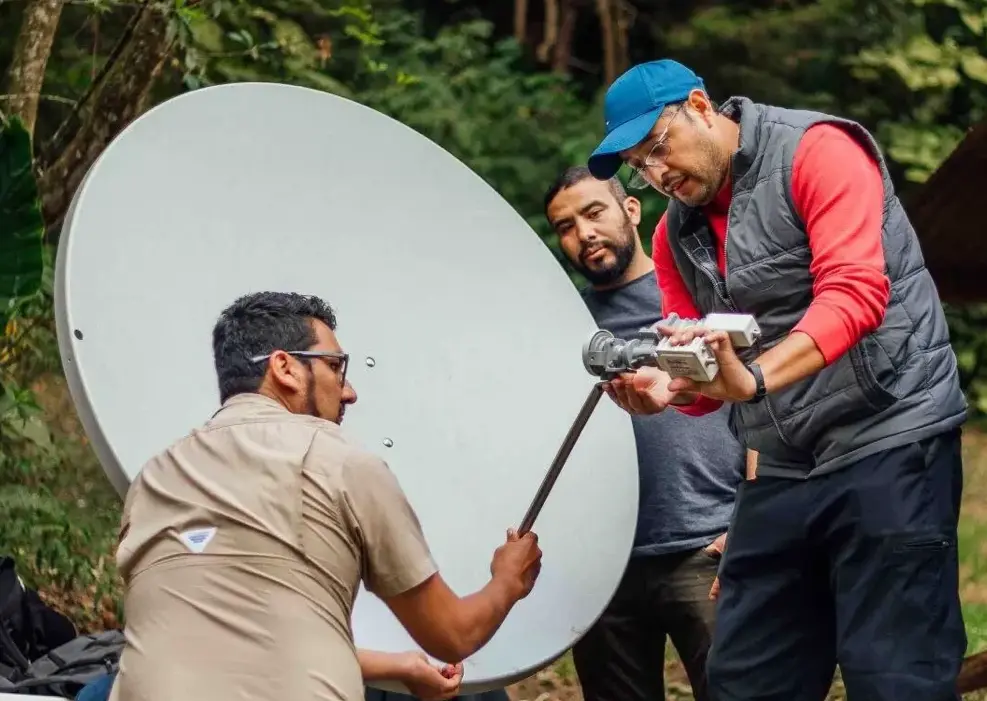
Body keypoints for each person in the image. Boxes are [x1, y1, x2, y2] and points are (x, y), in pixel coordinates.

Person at [585, 59, 969, 701]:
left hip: (890, 438)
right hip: (786, 467)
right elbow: (708, 375)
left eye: (658, 148)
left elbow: (854, 295)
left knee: (896, 674)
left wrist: (755, 378)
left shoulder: (818, 151)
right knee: (746, 680)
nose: (656, 174)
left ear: (702, 108)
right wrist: (667, 391)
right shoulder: (671, 234)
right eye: (639, 166)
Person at [107, 291, 543, 701]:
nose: (349, 390)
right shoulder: (340, 461)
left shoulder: (154, 476)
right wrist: (507, 581)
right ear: (285, 368)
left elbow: (233, 642)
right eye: (336, 367)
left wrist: (402, 667)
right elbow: (452, 635)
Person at [543, 165, 749, 701]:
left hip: (706, 547)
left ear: (630, 211)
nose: (583, 233)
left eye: (594, 213)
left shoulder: (695, 292)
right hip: (606, 565)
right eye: (565, 226)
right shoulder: (561, 324)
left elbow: (760, 410)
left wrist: (752, 521)